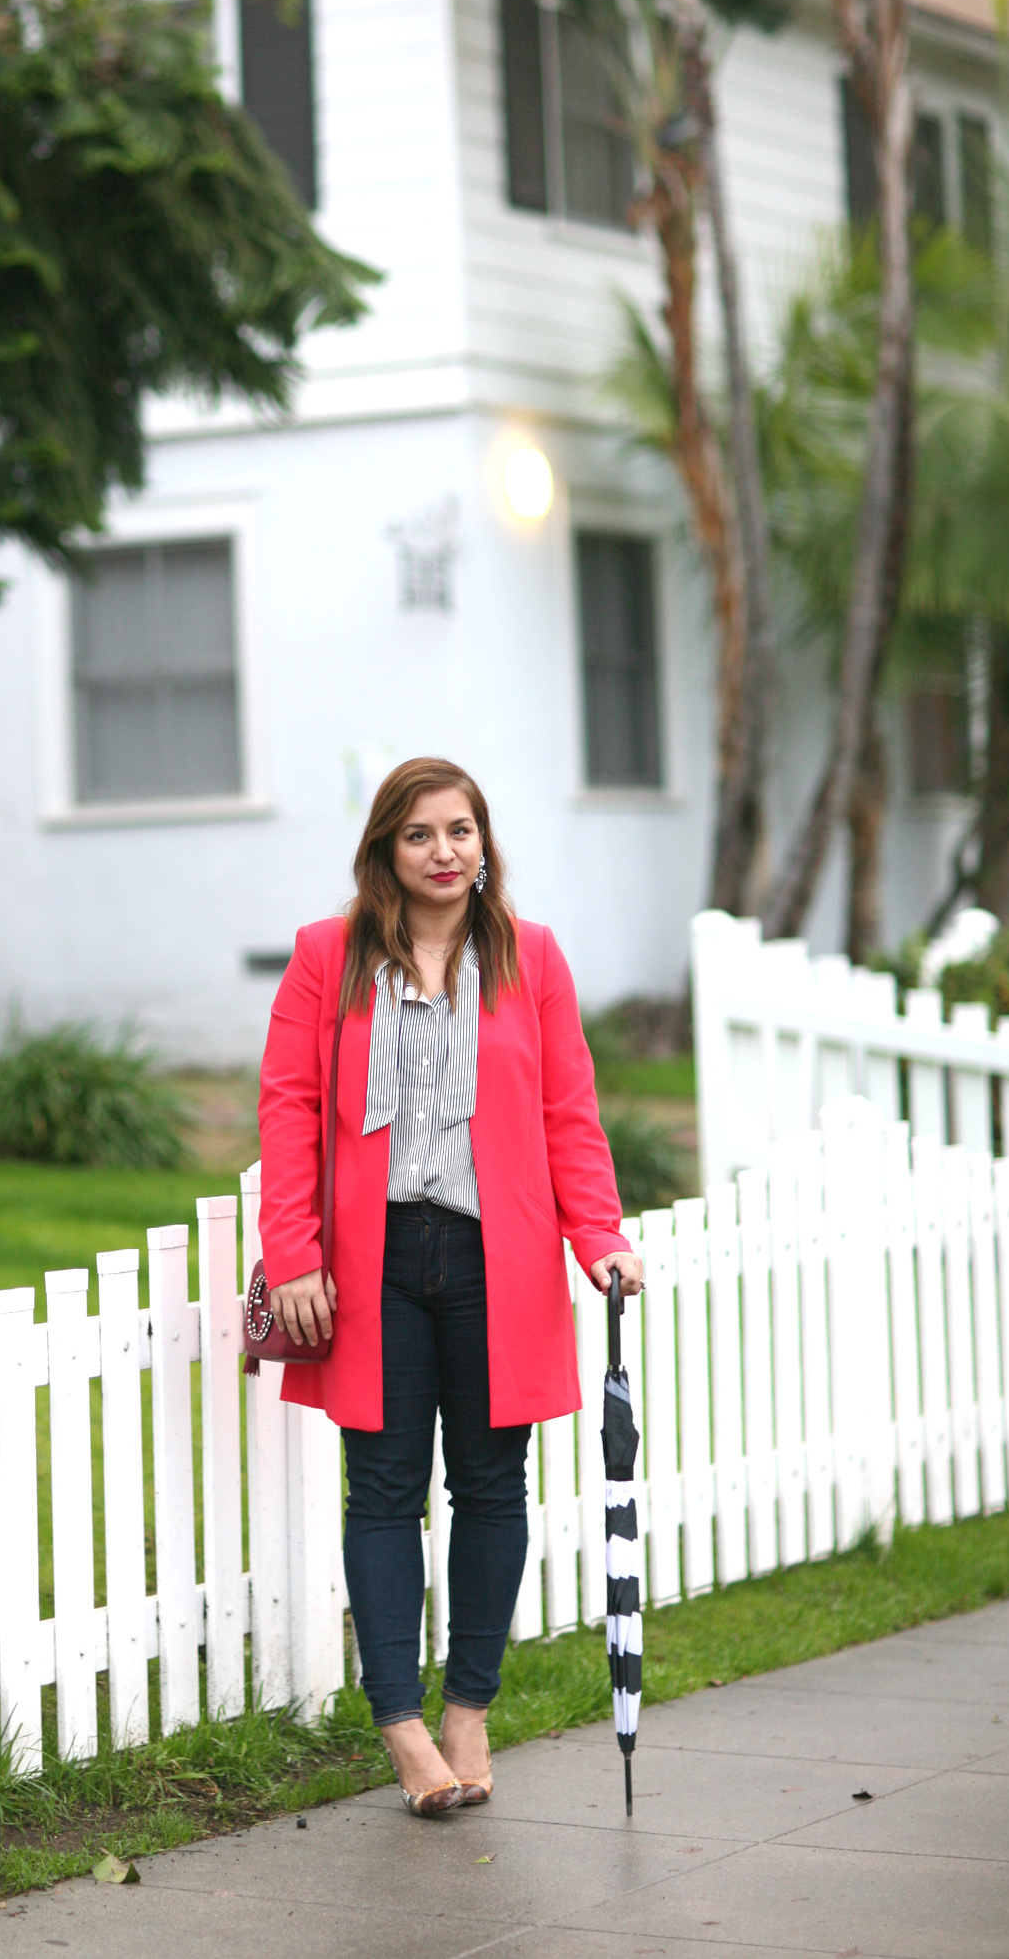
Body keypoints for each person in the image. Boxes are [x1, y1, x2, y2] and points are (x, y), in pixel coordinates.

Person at [258, 756, 643, 1815]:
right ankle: (402, 1729)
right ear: (386, 847)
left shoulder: (530, 959)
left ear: (484, 844)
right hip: (371, 1264)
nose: (443, 852)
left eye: (459, 831)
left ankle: (468, 1706)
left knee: (487, 1488)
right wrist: (292, 1252)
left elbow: (568, 1110)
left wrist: (596, 1237)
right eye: (420, 833)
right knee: (381, 1492)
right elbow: (288, 1109)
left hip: (492, 1261)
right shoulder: (323, 959)